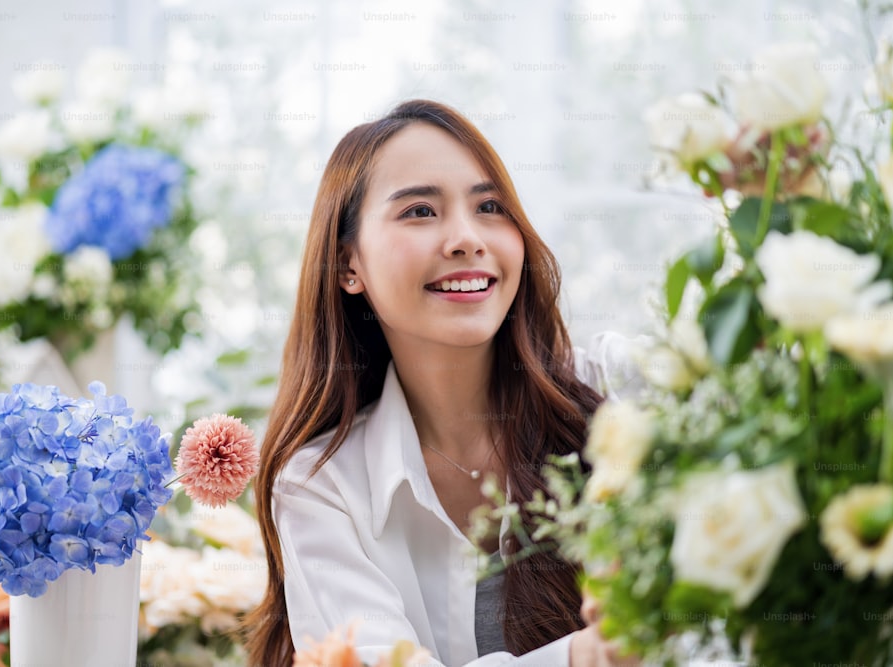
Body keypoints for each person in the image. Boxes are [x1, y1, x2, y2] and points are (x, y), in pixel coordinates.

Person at [247, 99, 642, 666]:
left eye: (489, 206)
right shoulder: (321, 487)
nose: (466, 238)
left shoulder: (616, 389)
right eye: (419, 212)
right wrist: (589, 655)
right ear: (347, 265)